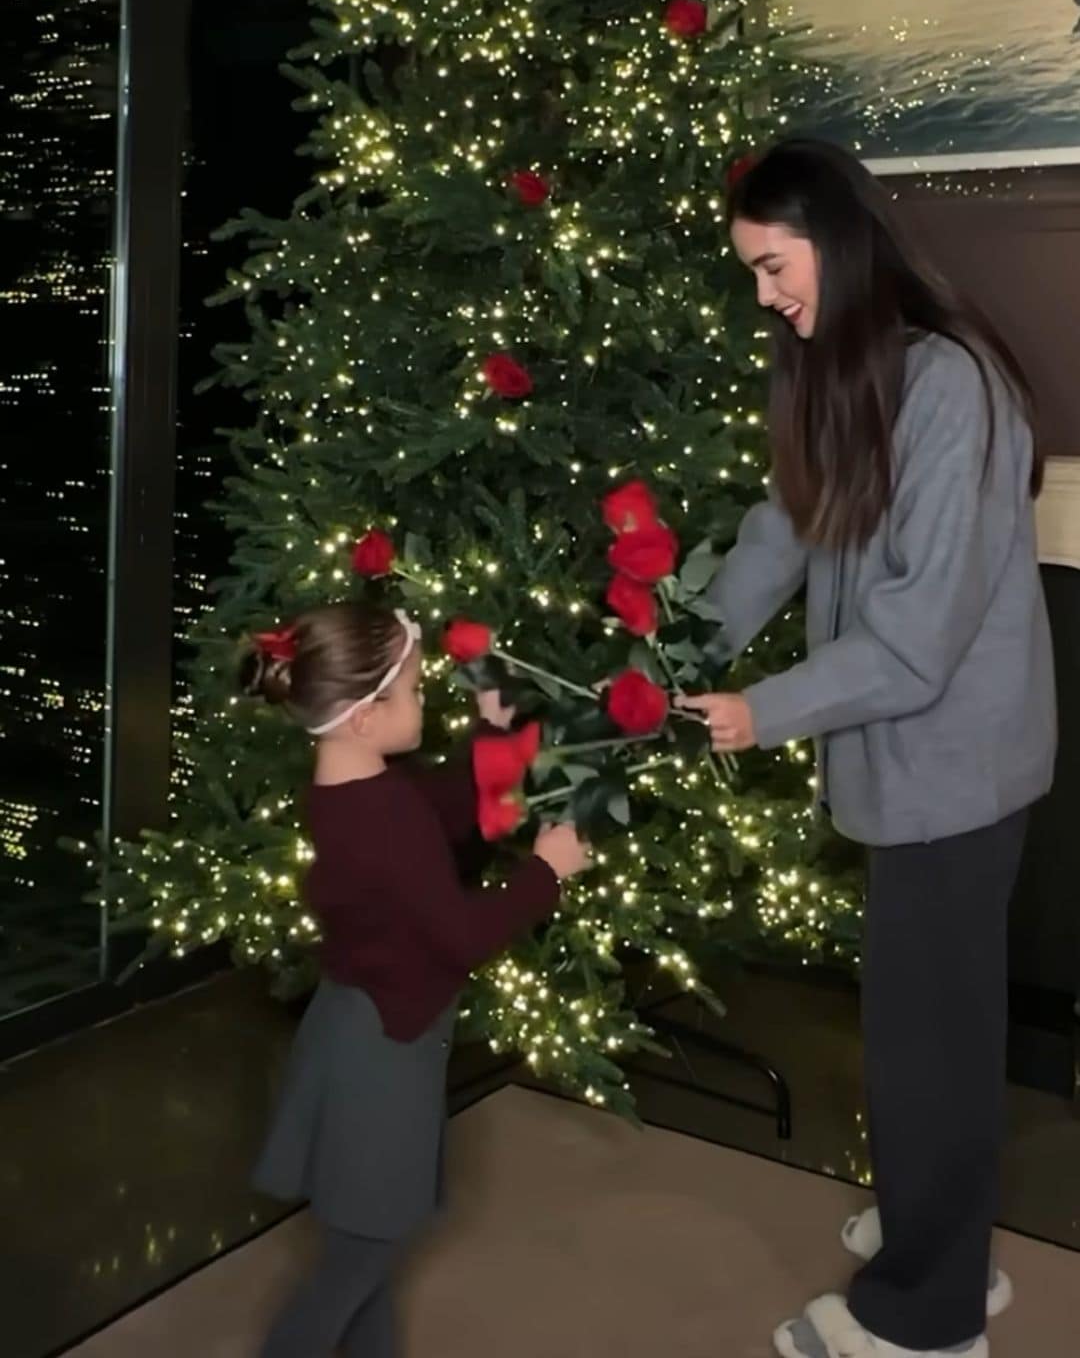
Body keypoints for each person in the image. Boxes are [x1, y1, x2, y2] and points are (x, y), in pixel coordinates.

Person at [678, 139, 1055, 1358]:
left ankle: (931, 1320)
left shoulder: (953, 391)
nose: (764, 295)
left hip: (958, 774)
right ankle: (941, 1239)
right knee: (927, 1038)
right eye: (750, 272)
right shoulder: (841, 367)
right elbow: (781, 533)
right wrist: (687, 648)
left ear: (834, 244)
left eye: (773, 266)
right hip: (905, 771)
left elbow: (915, 646)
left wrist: (756, 710)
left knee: (925, 1053)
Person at [246, 602, 590, 1358]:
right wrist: (545, 873)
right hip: (381, 1054)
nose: (425, 700)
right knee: (365, 1254)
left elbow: (446, 807)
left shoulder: (357, 794)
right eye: (412, 690)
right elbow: (460, 937)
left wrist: (494, 727)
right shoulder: (384, 819)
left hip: (365, 1033)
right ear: (366, 717)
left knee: (372, 1250)